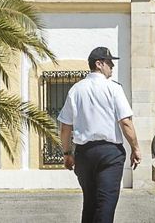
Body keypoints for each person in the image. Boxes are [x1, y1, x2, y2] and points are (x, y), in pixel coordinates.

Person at [57, 46, 142, 223]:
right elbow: (126, 122)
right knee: (106, 203)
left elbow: (65, 127)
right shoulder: (114, 89)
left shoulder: (76, 90)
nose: (112, 66)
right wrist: (136, 148)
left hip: (84, 153)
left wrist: (67, 154)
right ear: (99, 64)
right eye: (109, 62)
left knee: (90, 202)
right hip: (109, 153)